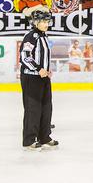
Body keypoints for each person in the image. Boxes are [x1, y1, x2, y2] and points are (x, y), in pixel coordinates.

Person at [20, 9, 58, 151]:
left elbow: (43, 56)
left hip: (43, 77)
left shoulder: (44, 36)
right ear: (35, 22)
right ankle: (29, 140)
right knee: (33, 109)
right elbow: (24, 56)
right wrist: (38, 69)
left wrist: (47, 69)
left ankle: (44, 136)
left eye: (47, 21)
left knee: (46, 107)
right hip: (31, 78)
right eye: (43, 21)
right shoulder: (31, 36)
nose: (46, 24)